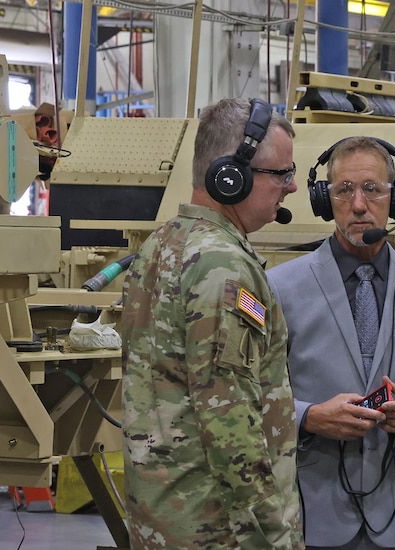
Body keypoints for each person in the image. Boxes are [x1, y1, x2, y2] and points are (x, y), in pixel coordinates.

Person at [119, 98, 304, 549]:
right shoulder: (224, 267)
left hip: (165, 518)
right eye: (281, 174)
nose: (293, 187)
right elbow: (229, 420)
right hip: (222, 528)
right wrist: (277, 534)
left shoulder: (162, 243)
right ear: (230, 176)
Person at [267, 136, 395, 549]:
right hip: (307, 517)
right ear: (325, 200)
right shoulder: (278, 288)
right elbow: (253, 394)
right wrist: (308, 417)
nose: (359, 205)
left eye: (372, 189)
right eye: (344, 190)